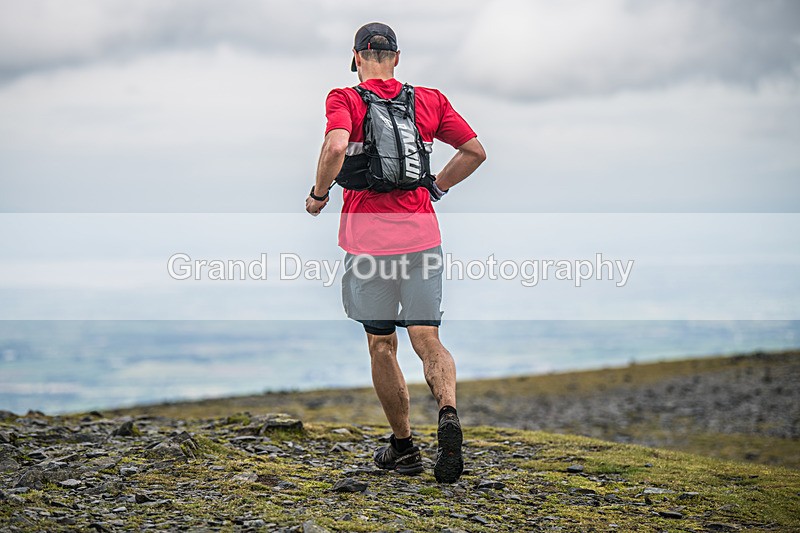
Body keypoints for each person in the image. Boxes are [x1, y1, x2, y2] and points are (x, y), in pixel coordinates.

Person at [305, 22, 486, 483]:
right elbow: (474, 151)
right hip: (423, 237)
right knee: (427, 338)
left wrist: (320, 194)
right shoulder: (429, 100)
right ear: (397, 58)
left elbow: (336, 144)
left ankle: (404, 448)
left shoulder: (345, 98)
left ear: (356, 56)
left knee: (382, 343)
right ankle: (447, 410)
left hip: (368, 243)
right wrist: (436, 188)